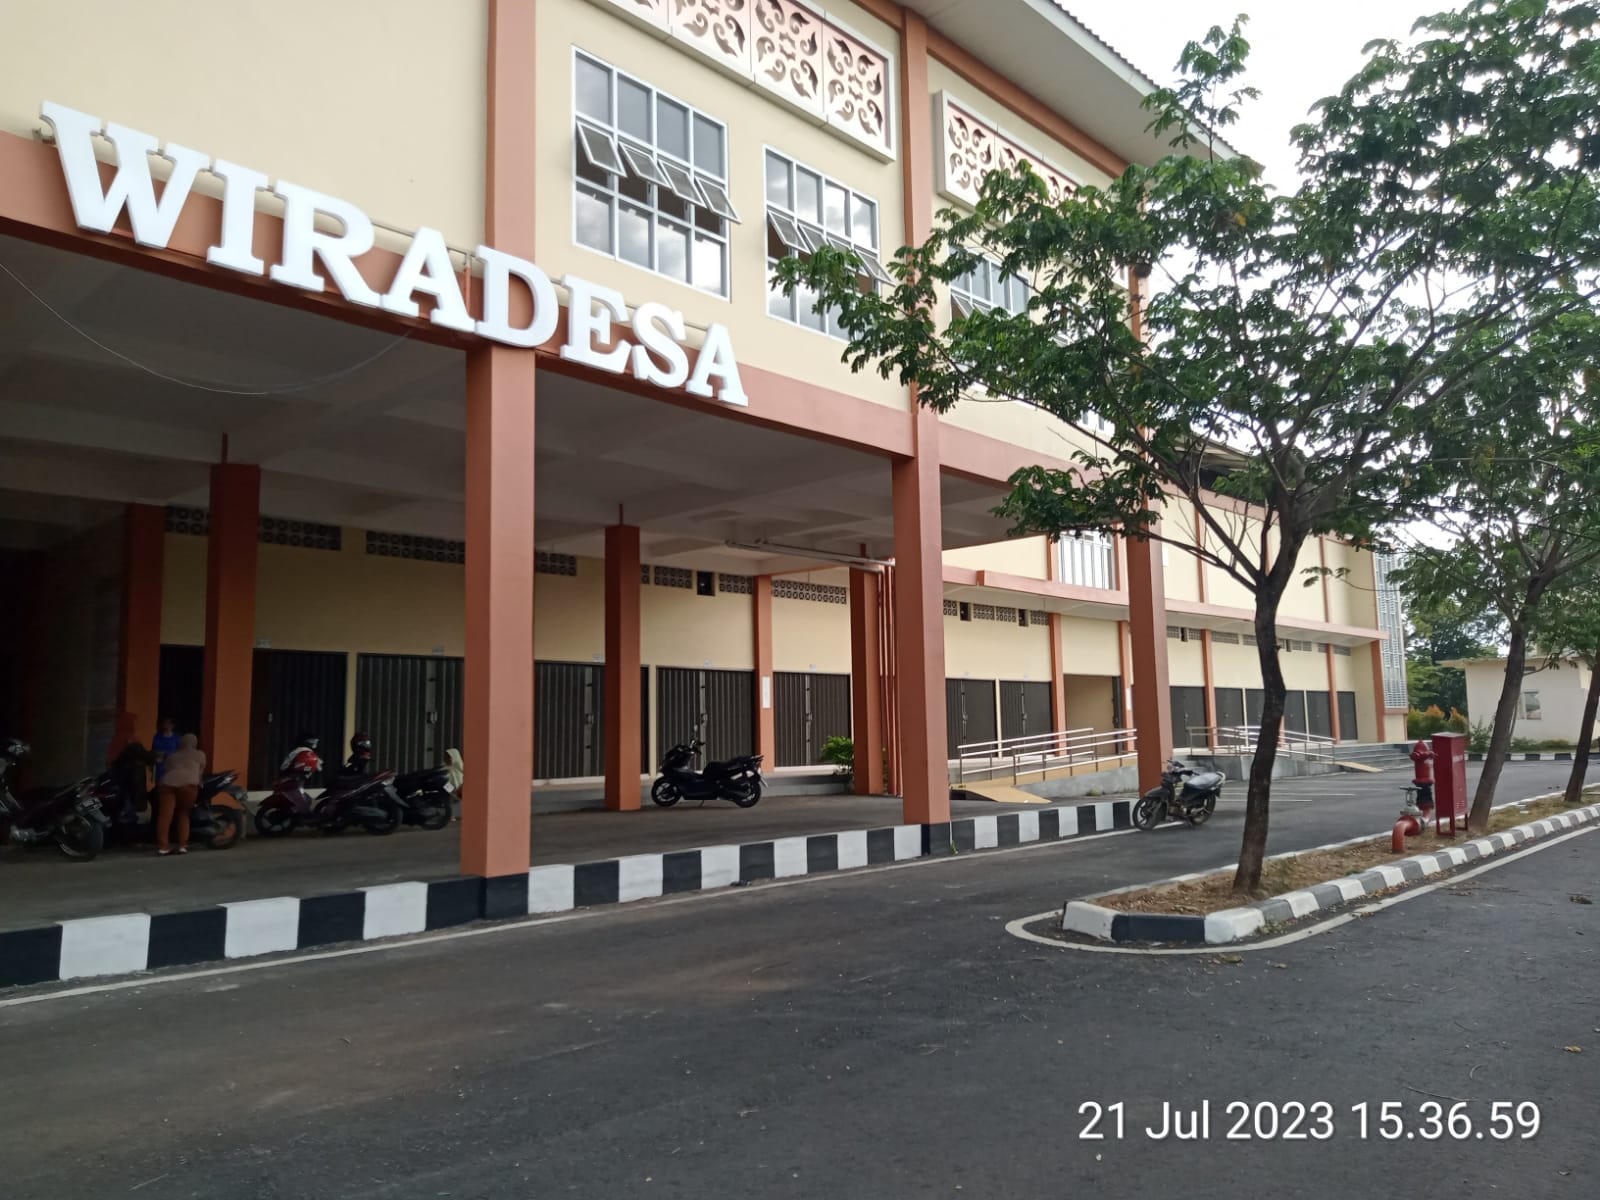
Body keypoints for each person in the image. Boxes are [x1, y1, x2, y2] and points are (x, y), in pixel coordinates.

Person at [156, 734, 206, 856]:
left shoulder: (172, 755)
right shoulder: (200, 754)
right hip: (188, 786)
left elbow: (167, 769)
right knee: (184, 814)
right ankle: (183, 846)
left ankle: (163, 847)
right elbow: (200, 772)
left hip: (167, 785)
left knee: (165, 817)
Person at [151, 716, 181, 782]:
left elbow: (179, 751)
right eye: (165, 722)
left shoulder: (176, 738)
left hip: (171, 765)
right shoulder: (157, 736)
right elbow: (154, 749)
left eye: (169, 723)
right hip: (160, 765)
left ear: (173, 725)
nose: (167, 725)